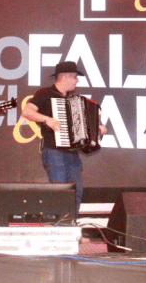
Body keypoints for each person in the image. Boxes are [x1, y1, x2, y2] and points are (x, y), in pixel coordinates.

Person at [22, 61, 107, 216]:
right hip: (53, 150)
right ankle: (58, 226)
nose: (77, 81)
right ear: (65, 77)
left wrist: (98, 129)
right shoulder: (45, 94)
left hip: (72, 152)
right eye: (75, 77)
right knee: (59, 191)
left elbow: (86, 126)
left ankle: (71, 224)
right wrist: (47, 119)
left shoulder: (75, 101)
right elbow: (27, 112)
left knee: (76, 190)